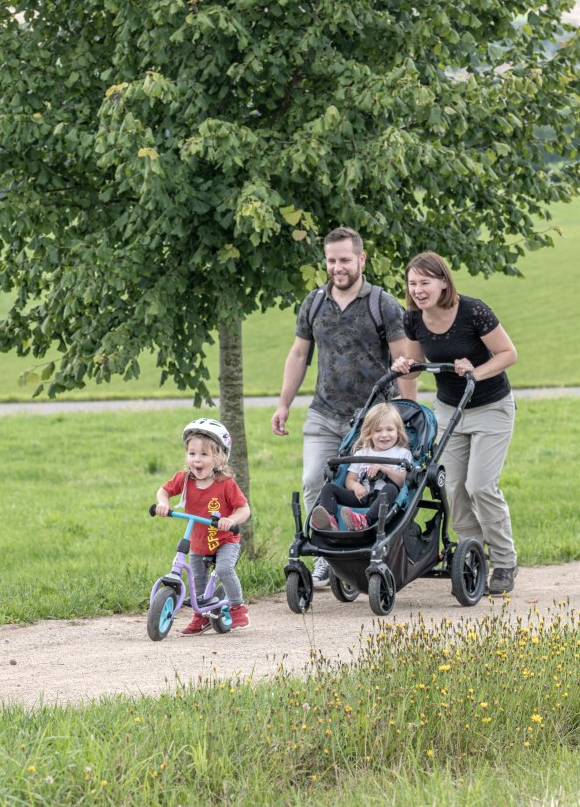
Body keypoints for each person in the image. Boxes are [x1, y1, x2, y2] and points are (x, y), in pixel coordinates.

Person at [272, 226, 418, 582]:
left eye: (345, 260)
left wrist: (407, 416)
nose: (338, 267)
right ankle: (326, 553)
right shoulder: (314, 302)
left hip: (372, 419)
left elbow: (405, 363)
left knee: (366, 488)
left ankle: (364, 549)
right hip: (324, 412)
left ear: (361, 259)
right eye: (331, 260)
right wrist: (283, 404)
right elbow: (298, 354)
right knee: (312, 480)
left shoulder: (381, 303)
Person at [391, 251, 521, 595]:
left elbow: (509, 354)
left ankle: (505, 561)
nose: (418, 290)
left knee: (480, 486)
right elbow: (416, 363)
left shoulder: (473, 311)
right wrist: (406, 369)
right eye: (413, 283)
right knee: (452, 487)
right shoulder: (413, 319)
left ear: (443, 282)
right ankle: (473, 556)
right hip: (450, 408)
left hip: (491, 406)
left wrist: (475, 373)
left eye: (425, 282)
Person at [154, 418, 252, 634]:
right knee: (197, 582)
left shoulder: (225, 484)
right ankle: (200, 617)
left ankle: (237, 607)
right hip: (199, 541)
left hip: (225, 540)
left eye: (204, 454)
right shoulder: (185, 479)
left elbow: (244, 510)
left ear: (219, 458)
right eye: (192, 453)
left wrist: (231, 520)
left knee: (224, 569)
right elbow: (163, 490)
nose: (197, 460)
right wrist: (164, 503)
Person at [309, 402, 414, 531]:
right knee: (328, 488)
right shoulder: (362, 454)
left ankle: (365, 520)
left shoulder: (402, 454)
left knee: (391, 488)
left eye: (390, 430)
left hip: (384, 499)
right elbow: (349, 480)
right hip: (362, 496)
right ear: (369, 433)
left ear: (398, 431)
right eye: (378, 430)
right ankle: (330, 521)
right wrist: (356, 486)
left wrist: (384, 469)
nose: (384, 435)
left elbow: (403, 481)